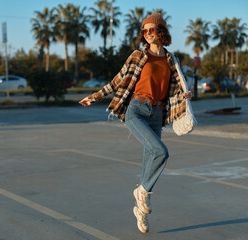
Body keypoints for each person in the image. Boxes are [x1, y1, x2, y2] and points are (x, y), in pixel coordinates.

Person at [79, 13, 192, 234]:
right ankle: (142, 192)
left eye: (152, 30)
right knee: (160, 152)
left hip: (158, 112)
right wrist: (94, 97)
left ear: (162, 32)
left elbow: (178, 87)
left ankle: (140, 211)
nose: (148, 34)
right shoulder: (138, 56)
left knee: (149, 158)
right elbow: (117, 81)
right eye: (145, 31)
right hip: (136, 110)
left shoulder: (171, 60)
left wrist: (185, 95)